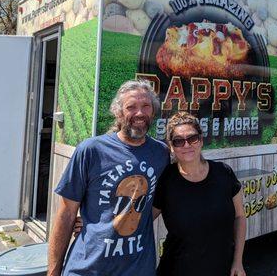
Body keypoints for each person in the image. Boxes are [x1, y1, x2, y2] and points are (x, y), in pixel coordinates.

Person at [48, 80, 169, 276]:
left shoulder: (161, 153)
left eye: (146, 106)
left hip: (138, 269)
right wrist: (53, 272)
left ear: (153, 112)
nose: (139, 113)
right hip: (88, 268)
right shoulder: (91, 150)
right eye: (131, 107)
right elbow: (66, 214)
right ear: (118, 112)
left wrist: (125, 218)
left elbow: (159, 202)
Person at [153, 111, 246, 276]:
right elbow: (143, 221)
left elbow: (239, 217)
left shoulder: (224, 173)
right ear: (171, 147)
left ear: (201, 140)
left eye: (192, 138)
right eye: (178, 141)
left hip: (222, 269)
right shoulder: (166, 180)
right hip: (176, 270)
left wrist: (238, 261)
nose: (187, 145)